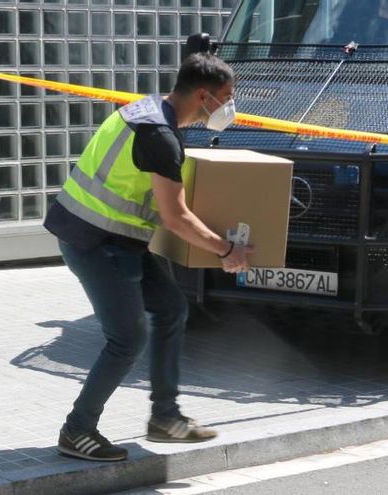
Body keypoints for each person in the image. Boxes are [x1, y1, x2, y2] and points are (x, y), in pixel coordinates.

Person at [43, 53, 254, 462]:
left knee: (172, 309)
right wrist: (228, 251)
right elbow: (175, 217)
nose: (230, 107)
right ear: (203, 95)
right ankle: (77, 430)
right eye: (227, 97)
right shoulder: (161, 135)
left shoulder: (152, 110)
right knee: (127, 339)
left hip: (116, 238)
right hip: (94, 240)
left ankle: (165, 418)